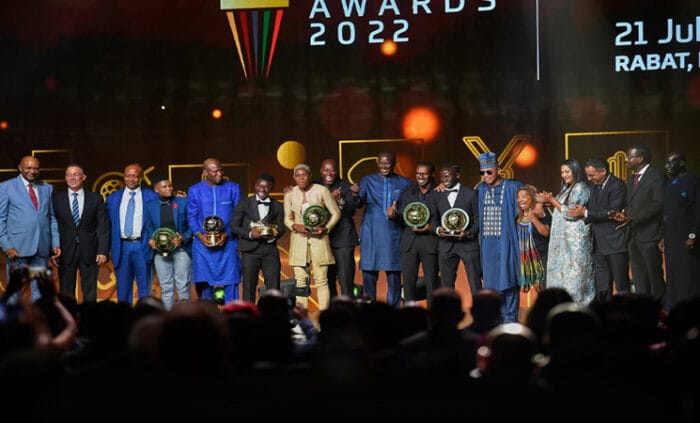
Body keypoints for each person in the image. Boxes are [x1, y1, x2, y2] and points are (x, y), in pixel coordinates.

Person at [350, 152, 412, 307]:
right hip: (371, 234)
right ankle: (370, 313)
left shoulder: (405, 183)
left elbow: (410, 209)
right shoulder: (367, 180)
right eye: (381, 163)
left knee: (394, 278)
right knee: (369, 277)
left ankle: (393, 313)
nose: (384, 166)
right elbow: (358, 203)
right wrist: (355, 194)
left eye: (388, 163)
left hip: (393, 235)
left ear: (395, 163)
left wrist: (397, 213)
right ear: (377, 163)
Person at [0, 155, 61, 304]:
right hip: (16, 250)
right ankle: (13, 319)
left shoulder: (47, 188)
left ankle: (37, 319)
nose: (32, 171)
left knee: (40, 291)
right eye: (28, 168)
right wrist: (6, 245)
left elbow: (51, 218)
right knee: (15, 292)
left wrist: (55, 242)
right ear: (20, 168)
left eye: (35, 168)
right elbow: (0, 219)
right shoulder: (6, 187)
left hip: (41, 249)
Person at [567, 157, 629, 300]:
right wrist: (585, 215)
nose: (589, 179)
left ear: (603, 171)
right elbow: (593, 210)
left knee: (621, 284)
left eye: (592, 175)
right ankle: (604, 311)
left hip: (615, 243)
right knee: (602, 285)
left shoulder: (617, 185)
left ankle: (625, 312)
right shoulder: (593, 186)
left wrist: (586, 213)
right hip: (598, 243)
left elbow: (612, 212)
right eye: (587, 175)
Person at [610, 145, 666, 301]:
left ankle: (659, 309)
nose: (626, 160)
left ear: (640, 159)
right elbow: (631, 204)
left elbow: (658, 204)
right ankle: (642, 309)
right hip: (633, 235)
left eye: (629, 157)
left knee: (654, 277)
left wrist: (633, 217)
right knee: (639, 278)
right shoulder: (631, 179)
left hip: (650, 235)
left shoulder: (656, 176)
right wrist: (623, 215)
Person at [537, 158, 595, 305]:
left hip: (575, 243)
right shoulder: (566, 189)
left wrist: (552, 200)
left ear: (575, 171)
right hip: (562, 242)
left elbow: (570, 213)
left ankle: (580, 309)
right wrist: (546, 201)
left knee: (575, 279)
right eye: (562, 172)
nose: (564, 175)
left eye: (567, 171)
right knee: (561, 278)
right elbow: (560, 208)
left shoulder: (581, 188)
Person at [283, 163, 340, 311]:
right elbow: (287, 218)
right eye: (297, 175)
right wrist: (294, 226)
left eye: (304, 175)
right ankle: (302, 317)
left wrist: (326, 228)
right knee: (300, 282)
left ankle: (324, 317)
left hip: (319, 240)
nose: (301, 178)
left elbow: (336, 213)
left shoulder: (322, 190)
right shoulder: (289, 193)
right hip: (298, 240)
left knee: (322, 281)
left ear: (309, 176)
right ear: (294, 177)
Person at [51, 164, 110, 302]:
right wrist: (53, 248)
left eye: (76, 174)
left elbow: (103, 226)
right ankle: (69, 315)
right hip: (65, 251)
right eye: (69, 175)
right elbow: (52, 225)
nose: (72, 178)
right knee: (66, 292)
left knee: (90, 292)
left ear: (83, 177)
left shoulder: (96, 198)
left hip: (90, 251)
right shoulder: (56, 199)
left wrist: (103, 251)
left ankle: (88, 316)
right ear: (65, 178)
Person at [476, 152, 523, 323]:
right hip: (488, 245)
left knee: (509, 280)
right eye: (482, 173)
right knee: (492, 286)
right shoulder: (480, 190)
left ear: (499, 170)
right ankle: (496, 323)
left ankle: (510, 322)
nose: (486, 176)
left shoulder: (513, 186)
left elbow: (531, 197)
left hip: (508, 242)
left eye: (489, 172)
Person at [186, 157, 242, 303]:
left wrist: (227, 234)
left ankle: (232, 313)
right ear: (205, 173)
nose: (220, 174)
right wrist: (200, 235)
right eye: (215, 171)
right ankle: (208, 313)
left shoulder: (233, 188)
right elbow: (191, 217)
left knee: (231, 282)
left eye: (221, 170)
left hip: (228, 243)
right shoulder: (195, 190)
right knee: (204, 283)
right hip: (203, 245)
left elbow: (238, 215)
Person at [106, 163, 159, 303]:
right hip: (121, 247)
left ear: (140, 178)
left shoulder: (152, 196)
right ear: (124, 177)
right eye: (128, 176)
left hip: (142, 245)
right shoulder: (113, 198)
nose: (131, 179)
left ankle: (145, 315)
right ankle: (125, 315)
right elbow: (107, 225)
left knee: (145, 288)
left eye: (135, 176)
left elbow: (158, 221)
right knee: (123, 289)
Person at [230, 173, 285, 303]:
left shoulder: (277, 206)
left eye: (266, 187)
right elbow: (233, 226)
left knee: (274, 287)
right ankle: (249, 314)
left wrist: (272, 236)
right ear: (255, 186)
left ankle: (273, 313)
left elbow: (282, 228)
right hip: (249, 251)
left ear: (271, 188)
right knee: (248, 287)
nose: (262, 189)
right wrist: (250, 234)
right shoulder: (244, 203)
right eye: (259, 185)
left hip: (270, 251)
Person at [429, 164, 481, 298]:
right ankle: (449, 311)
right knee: (446, 286)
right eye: (442, 177)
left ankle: (481, 310)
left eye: (447, 176)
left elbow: (479, 220)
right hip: (445, 246)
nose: (444, 179)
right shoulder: (436, 194)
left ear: (457, 176)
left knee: (475, 283)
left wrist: (469, 233)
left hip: (468, 244)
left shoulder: (471, 193)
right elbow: (433, 219)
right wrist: (438, 229)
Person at [143, 174, 193, 310]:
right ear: (156, 189)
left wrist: (183, 238)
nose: (169, 188)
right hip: (160, 252)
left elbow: (192, 226)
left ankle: (185, 316)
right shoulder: (149, 206)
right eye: (164, 187)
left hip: (181, 250)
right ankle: (168, 318)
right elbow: (148, 228)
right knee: (166, 288)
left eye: (169, 185)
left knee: (183, 286)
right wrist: (152, 240)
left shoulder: (183, 202)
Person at [660, 152, 699, 310]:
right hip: (671, 237)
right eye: (666, 163)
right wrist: (663, 236)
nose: (667, 167)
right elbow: (667, 212)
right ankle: (672, 307)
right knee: (672, 274)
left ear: (682, 163)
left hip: (686, 237)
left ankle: (688, 309)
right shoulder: (671, 182)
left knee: (687, 275)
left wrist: (693, 235)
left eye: (671, 163)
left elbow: (697, 212)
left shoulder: (693, 182)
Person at [398, 161, 439, 306]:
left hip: (430, 242)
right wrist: (394, 214)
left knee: (432, 282)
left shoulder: (440, 192)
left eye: (424, 174)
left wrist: (430, 227)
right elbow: (403, 214)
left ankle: (433, 315)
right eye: (418, 173)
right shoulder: (408, 192)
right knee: (408, 283)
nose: (420, 177)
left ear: (432, 174)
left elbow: (443, 216)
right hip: (409, 243)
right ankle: (409, 314)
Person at [317, 158, 359, 299]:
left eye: (332, 170)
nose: (329, 173)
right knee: (327, 282)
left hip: (343, 240)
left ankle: (348, 310)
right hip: (322, 240)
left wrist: (340, 200)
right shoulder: (315, 187)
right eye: (325, 170)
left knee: (346, 281)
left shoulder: (346, 186)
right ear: (321, 171)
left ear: (337, 171)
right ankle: (332, 310)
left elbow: (351, 211)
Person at [515, 184, 550, 292]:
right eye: (518, 197)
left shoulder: (542, 212)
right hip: (527, 260)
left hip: (542, 257)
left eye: (523, 196)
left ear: (532, 198)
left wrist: (534, 219)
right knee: (536, 291)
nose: (520, 200)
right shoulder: (519, 216)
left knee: (544, 289)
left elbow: (546, 232)